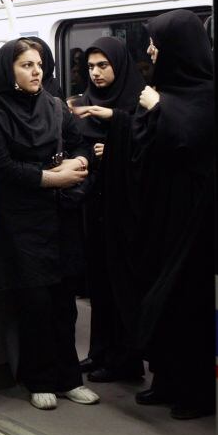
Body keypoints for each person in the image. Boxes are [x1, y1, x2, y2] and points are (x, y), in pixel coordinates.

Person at [0, 37, 99, 411]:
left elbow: (79, 143)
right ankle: (39, 378)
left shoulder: (53, 105)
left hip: (59, 217)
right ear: (9, 70)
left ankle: (69, 378)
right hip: (20, 221)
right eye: (27, 66)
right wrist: (52, 178)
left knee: (64, 303)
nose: (37, 72)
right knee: (34, 303)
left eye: (39, 65)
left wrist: (76, 165)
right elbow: (2, 168)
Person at [123, 10, 215, 419]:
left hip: (191, 219)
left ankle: (197, 391)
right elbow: (146, 148)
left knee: (187, 302)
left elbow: (192, 144)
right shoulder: (159, 89)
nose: (149, 50)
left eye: (157, 42)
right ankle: (166, 378)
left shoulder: (209, 93)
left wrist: (161, 107)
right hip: (158, 213)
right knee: (156, 295)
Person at [70, 38, 145, 382]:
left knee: (122, 286)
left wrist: (114, 142)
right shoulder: (83, 103)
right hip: (94, 206)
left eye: (103, 65)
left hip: (126, 210)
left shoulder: (137, 101)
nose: (96, 73)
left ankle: (125, 360)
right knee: (99, 283)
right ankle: (100, 352)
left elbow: (149, 151)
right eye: (90, 67)